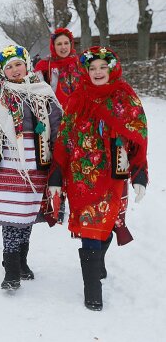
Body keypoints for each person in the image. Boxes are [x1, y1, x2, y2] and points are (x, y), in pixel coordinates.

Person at [49, 46, 148, 311]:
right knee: (89, 226)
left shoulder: (125, 98)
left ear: (112, 68)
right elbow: (64, 138)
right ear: (86, 72)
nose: (97, 72)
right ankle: (92, 287)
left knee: (105, 224)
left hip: (113, 174)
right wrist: (57, 175)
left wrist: (140, 174)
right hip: (81, 177)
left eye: (102, 67)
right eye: (92, 68)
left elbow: (139, 137)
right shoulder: (77, 97)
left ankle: (98, 261)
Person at [0, 45, 61, 290]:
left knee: (27, 215)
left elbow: (56, 129)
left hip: (35, 166)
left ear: (27, 65)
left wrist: (61, 164)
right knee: (10, 218)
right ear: (2, 71)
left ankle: (21, 261)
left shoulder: (42, 92)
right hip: (6, 165)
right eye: (8, 67)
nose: (14, 70)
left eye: (17, 64)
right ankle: (11, 270)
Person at [34, 28, 83, 108]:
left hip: (79, 113)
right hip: (55, 115)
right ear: (53, 46)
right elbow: (39, 95)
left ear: (71, 44)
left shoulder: (80, 63)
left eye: (66, 43)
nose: (63, 47)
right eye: (59, 44)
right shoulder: (44, 66)